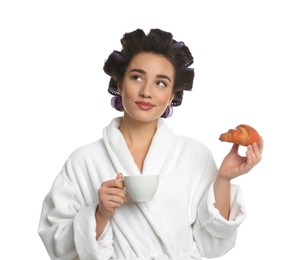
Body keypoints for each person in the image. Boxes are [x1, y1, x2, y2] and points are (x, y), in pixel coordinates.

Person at [38, 28, 263, 260]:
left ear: (172, 96)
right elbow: (56, 240)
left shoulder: (194, 155)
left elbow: (212, 245)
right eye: (136, 77)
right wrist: (99, 214)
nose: (146, 92)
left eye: (161, 83)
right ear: (120, 83)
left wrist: (223, 179)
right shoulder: (83, 161)